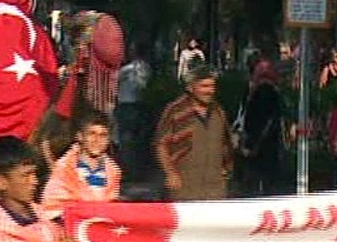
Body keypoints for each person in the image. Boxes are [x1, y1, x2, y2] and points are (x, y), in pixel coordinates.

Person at [154, 63, 235, 200]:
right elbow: (161, 144)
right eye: (204, 86)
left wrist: (226, 168)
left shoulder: (218, 111)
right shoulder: (176, 111)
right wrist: (170, 173)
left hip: (215, 186)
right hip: (185, 184)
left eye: (212, 86)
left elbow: (225, 142)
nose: (210, 91)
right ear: (190, 88)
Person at [41, 112, 122, 222]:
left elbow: (113, 208)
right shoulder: (64, 169)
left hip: (103, 229)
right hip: (70, 231)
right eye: (92, 134)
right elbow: (51, 208)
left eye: (103, 135)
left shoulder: (113, 172)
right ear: (80, 136)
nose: (97, 140)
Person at [239, 59, 285, 197]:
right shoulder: (273, 91)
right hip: (269, 140)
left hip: (257, 140)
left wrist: (249, 142)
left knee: (255, 176)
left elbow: (252, 117)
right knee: (268, 179)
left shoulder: (256, 91)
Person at [114, 45, 151, 174]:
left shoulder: (128, 69)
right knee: (136, 138)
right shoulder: (145, 67)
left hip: (126, 105)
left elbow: (114, 78)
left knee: (125, 138)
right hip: (138, 104)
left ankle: (128, 169)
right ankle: (136, 169)